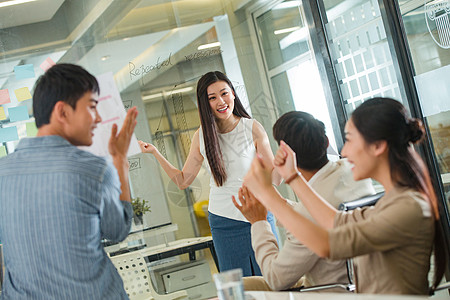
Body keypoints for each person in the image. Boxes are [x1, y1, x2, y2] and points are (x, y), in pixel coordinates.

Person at [243, 97, 445, 294]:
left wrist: (267, 194)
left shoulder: (408, 207)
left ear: (377, 146)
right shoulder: (396, 201)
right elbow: (336, 221)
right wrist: (292, 177)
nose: (344, 151)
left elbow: (326, 244)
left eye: (349, 139)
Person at [0, 64, 138, 299]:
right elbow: (118, 230)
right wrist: (120, 160)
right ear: (62, 112)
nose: (98, 118)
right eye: (92, 107)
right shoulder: (93, 170)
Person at [139, 71, 280, 276]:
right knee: (238, 289)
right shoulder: (201, 136)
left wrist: (286, 170)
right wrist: (155, 153)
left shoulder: (252, 128)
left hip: (258, 215)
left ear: (233, 93)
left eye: (224, 93)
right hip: (224, 222)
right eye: (212, 98)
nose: (220, 101)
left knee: (272, 279)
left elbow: (274, 177)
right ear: (205, 104)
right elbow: (183, 181)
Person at [232, 111, 374, 291]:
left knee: (242, 287)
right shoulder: (351, 171)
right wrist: (278, 203)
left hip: (327, 292)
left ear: (285, 155)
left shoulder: (309, 215)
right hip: (364, 283)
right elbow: (316, 206)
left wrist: (258, 222)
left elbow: (276, 279)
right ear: (327, 142)